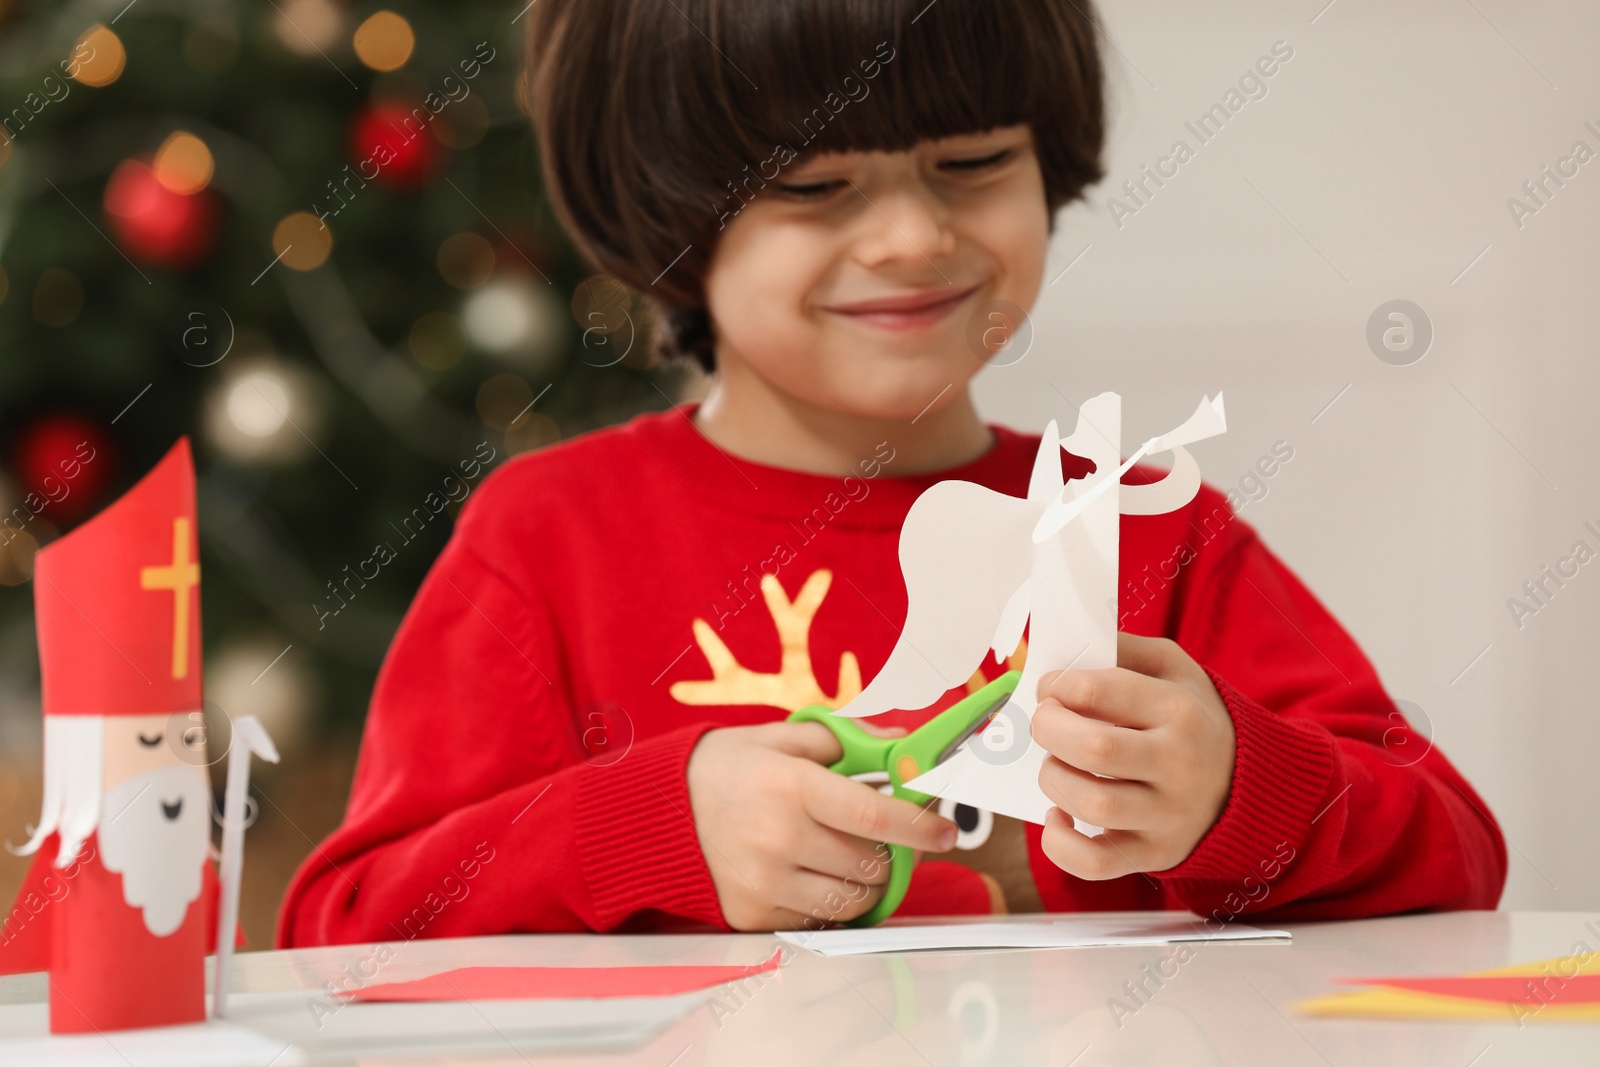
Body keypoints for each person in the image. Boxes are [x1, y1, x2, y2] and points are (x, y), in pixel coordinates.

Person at [279, 0, 1505, 944]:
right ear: (671, 216)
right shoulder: (548, 536)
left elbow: (1456, 847)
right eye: (816, 186)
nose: (915, 237)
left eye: (972, 163)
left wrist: (1241, 787)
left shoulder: (1144, 526)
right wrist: (649, 829)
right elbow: (346, 929)